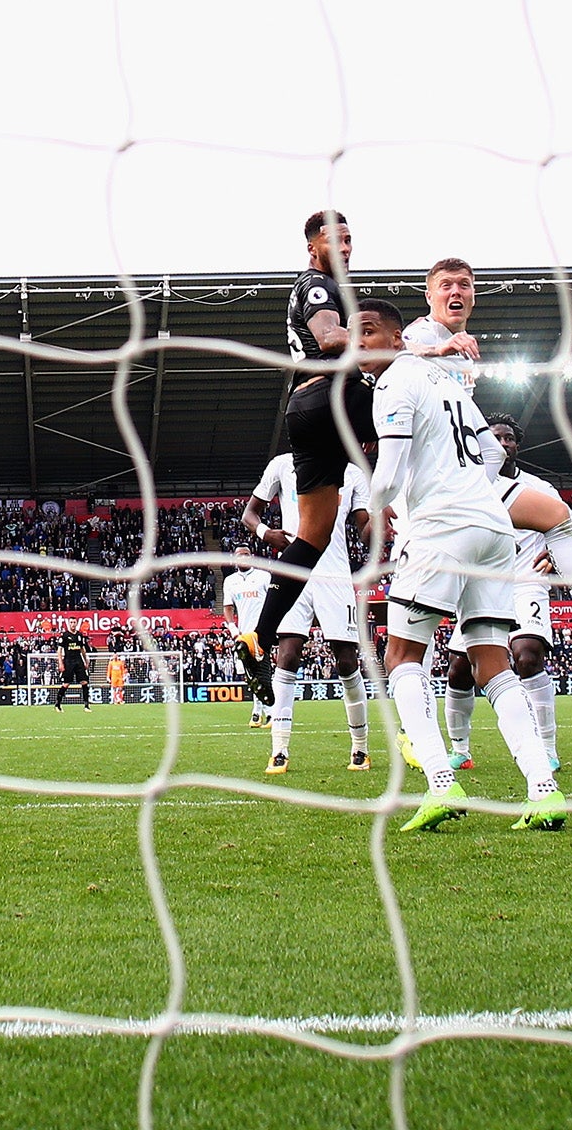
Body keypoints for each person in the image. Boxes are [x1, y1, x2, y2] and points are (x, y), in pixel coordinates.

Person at [355, 299, 565, 833]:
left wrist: (377, 508)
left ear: (398, 338)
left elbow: (391, 473)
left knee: (400, 654)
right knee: (492, 663)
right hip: (493, 529)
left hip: (443, 528)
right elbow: (492, 454)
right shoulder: (445, 381)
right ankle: (544, 790)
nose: (358, 343)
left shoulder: (393, 386)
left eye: (369, 332)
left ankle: (440, 785)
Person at [404, 258, 572, 662]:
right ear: (429, 294)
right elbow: (395, 353)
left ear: (474, 294)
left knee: (556, 515)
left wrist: (484, 469)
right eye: (445, 285)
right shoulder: (424, 333)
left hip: (466, 484)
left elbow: (478, 437)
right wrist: (438, 347)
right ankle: (412, 712)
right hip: (431, 490)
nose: (455, 292)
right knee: (415, 638)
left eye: (464, 284)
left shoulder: (462, 355)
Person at [236, 211, 378, 703]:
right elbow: (330, 339)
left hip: (306, 408)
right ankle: (415, 532)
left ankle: (259, 636)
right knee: (414, 416)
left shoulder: (321, 285)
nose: (346, 246)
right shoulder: (317, 285)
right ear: (313, 246)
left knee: (311, 538)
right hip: (333, 395)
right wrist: (402, 353)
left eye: (351, 239)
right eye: (336, 238)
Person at [438, 415, 568, 771]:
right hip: (479, 587)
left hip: (526, 583)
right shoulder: (467, 486)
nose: (503, 443)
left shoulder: (541, 489)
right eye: (496, 437)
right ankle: (461, 750)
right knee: (459, 672)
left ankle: (547, 748)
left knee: (527, 657)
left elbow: (568, 530)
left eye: (509, 438)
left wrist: (556, 557)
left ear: (517, 445)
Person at [244, 452, 373, 773]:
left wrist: (381, 521)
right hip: (295, 570)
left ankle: (360, 748)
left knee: (346, 661)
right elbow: (250, 514)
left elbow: (364, 529)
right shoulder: (280, 464)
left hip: (336, 576)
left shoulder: (353, 473)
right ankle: (279, 749)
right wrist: (265, 533)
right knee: (287, 656)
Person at [221, 547, 273, 728]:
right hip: (242, 635)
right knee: (249, 675)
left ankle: (267, 713)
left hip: (261, 632)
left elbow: (273, 601)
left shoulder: (263, 577)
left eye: (245, 555)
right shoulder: (230, 581)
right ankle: (259, 712)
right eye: (238, 556)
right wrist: (233, 629)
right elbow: (228, 607)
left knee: (262, 673)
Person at [52, 627, 91, 712]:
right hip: (68, 661)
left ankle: (86, 705)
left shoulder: (79, 635)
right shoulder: (65, 635)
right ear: (69, 624)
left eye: (74, 622)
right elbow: (59, 650)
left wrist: (86, 660)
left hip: (78, 661)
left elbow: (82, 649)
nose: (73, 624)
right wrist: (60, 663)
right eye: (71, 622)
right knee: (66, 684)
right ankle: (57, 704)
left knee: (84, 682)